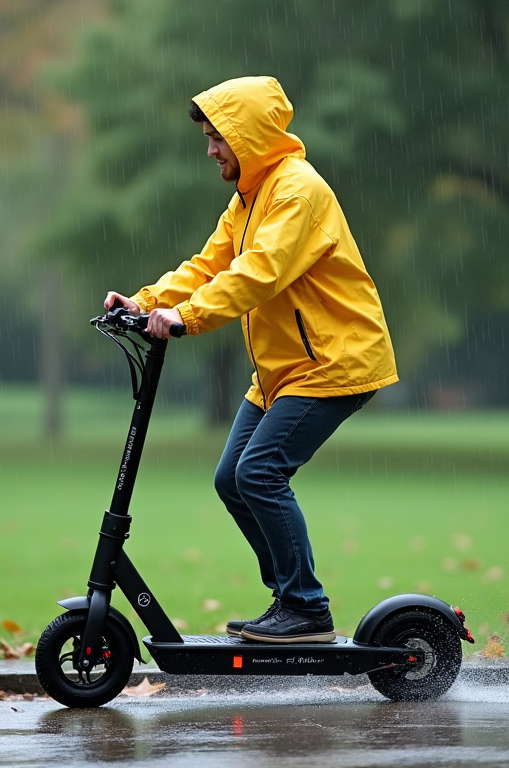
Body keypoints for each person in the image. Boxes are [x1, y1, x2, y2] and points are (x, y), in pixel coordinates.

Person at [104, 75, 397, 644]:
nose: (210, 150)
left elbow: (258, 273)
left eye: (218, 138)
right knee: (231, 479)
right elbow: (207, 265)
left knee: (259, 472)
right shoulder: (249, 198)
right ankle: (291, 601)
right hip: (282, 372)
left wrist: (187, 318)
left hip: (335, 364)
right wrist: (144, 302)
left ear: (250, 135)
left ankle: (306, 610)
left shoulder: (297, 192)